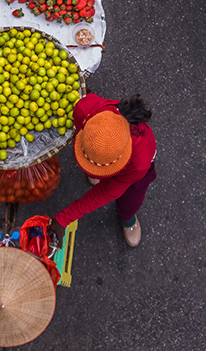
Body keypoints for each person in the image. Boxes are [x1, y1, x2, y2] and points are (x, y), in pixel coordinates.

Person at [48, 93, 157, 247]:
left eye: (101, 167)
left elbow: (106, 192)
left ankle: (128, 219)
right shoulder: (84, 109)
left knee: (131, 199)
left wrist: (65, 218)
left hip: (134, 174)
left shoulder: (139, 160)